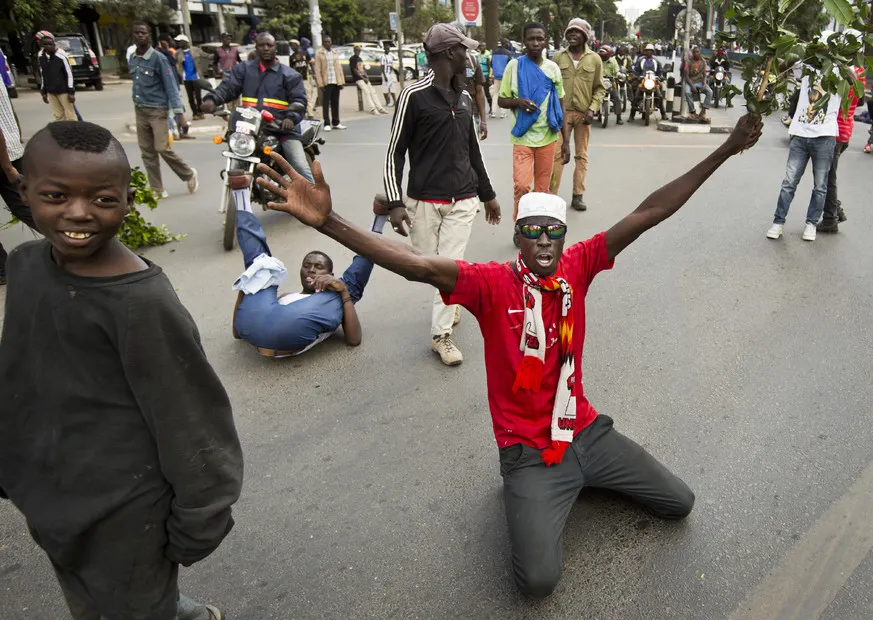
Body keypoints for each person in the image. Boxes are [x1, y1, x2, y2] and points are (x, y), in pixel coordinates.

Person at [254, 112, 763, 599]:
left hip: (582, 430)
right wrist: (330, 222)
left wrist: (725, 148)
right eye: (533, 232)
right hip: (527, 452)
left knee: (680, 504)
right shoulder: (490, 283)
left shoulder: (578, 266)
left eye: (554, 231)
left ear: (565, 236)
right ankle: (533, 493)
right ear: (517, 236)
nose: (545, 242)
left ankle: (581, 478)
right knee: (538, 582)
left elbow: (649, 212)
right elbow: (417, 266)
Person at [0, 121, 241, 620]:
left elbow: (193, 422)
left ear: (128, 200)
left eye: (103, 199)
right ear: (23, 189)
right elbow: (19, 372)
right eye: (56, 195)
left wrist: (202, 519)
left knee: (136, 603)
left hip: (126, 514)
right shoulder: (25, 265)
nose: (78, 213)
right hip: (49, 495)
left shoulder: (141, 303)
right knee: (85, 597)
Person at [383, 22, 502, 366]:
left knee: (449, 266)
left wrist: (487, 194)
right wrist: (394, 201)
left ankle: (441, 336)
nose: (469, 55)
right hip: (423, 202)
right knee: (427, 266)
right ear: (450, 53)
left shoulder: (464, 96)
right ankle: (449, 299)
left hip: (463, 200)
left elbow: (472, 152)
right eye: (464, 49)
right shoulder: (413, 96)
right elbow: (395, 152)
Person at [230, 175, 386, 356]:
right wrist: (248, 284)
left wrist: (343, 292)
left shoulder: (335, 300)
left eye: (319, 267)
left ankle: (378, 222)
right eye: (307, 265)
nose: (311, 269)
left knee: (348, 287)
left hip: (289, 333)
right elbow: (237, 332)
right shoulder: (287, 297)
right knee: (261, 269)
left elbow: (354, 340)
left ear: (330, 274)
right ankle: (240, 193)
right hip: (257, 326)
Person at [201, 32, 314, 182]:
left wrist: (290, 118)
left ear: (275, 48)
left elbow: (299, 100)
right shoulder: (244, 70)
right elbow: (229, 88)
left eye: (269, 45)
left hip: (281, 128)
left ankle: (316, 201)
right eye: (262, 45)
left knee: (300, 166)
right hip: (250, 128)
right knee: (234, 150)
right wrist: (212, 100)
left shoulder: (289, 75)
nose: (266, 48)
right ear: (256, 48)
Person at [498, 22, 565, 221]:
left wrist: (567, 142)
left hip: (548, 137)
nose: (536, 42)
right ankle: (520, 224)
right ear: (524, 41)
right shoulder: (514, 66)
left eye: (540, 38)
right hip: (523, 138)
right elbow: (502, 100)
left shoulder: (553, 68)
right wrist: (518, 102)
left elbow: (561, 105)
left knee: (543, 190)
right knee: (522, 186)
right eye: (531, 38)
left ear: (546, 41)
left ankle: (536, 227)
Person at [128, 21, 198, 200]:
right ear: (133, 36)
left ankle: (188, 174)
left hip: (158, 110)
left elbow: (171, 87)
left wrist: (180, 115)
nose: (140, 36)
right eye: (137, 33)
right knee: (147, 152)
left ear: (149, 36)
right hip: (140, 109)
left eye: (143, 33)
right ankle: (157, 189)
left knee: (161, 147)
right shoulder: (133, 58)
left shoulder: (159, 58)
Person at [767, 73, 841, 242]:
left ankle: (811, 223)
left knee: (820, 186)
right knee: (789, 182)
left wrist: (838, 63)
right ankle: (778, 222)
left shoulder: (839, 71)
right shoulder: (808, 67)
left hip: (824, 137)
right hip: (800, 135)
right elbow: (786, 64)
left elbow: (853, 81)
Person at [551, 18, 605, 213]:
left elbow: (599, 88)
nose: (572, 35)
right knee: (557, 155)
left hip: (584, 115)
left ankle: (577, 195)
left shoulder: (594, 59)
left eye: (577, 32)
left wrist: (593, 108)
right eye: (570, 32)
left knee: (581, 155)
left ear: (585, 36)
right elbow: (549, 85)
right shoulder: (557, 58)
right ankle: (551, 196)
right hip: (561, 115)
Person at [817, 67, 864, 234]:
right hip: (846, 132)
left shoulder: (839, 74)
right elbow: (862, 99)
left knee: (827, 178)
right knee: (827, 176)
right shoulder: (859, 73)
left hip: (834, 133)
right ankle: (836, 210)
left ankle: (831, 218)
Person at [0, 80, 32, 286]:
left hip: (5, 155)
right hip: (9, 149)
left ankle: (75, 245)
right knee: (25, 204)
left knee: (25, 204)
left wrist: (8, 168)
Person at [36, 31, 77, 122]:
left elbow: (69, 74)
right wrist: (43, 90)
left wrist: (71, 92)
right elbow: (43, 73)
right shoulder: (41, 55)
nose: (48, 46)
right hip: (51, 91)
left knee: (70, 115)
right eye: (45, 44)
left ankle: (74, 133)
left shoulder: (61, 55)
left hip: (63, 91)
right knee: (58, 116)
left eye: (50, 44)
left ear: (54, 43)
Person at [315, 35, 347, 130]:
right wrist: (320, 84)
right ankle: (326, 123)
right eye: (326, 42)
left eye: (329, 41)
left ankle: (336, 122)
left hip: (335, 80)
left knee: (335, 102)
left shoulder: (334, 52)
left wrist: (341, 81)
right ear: (323, 43)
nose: (328, 43)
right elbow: (317, 70)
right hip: (326, 81)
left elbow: (339, 68)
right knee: (325, 103)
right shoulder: (319, 53)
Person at [629, 44, 666, 122]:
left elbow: (660, 72)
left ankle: (663, 114)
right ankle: (631, 115)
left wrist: (660, 77)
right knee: (636, 96)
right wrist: (637, 76)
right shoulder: (640, 60)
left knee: (660, 95)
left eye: (650, 51)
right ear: (645, 52)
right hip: (643, 81)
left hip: (653, 81)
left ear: (653, 52)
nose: (649, 52)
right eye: (647, 50)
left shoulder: (656, 61)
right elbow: (636, 71)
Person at [174, 34, 205, 120]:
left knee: (198, 97)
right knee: (190, 97)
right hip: (186, 78)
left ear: (185, 42)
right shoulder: (178, 53)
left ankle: (200, 111)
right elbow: (176, 64)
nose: (179, 43)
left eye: (180, 41)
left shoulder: (195, 50)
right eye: (178, 42)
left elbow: (206, 56)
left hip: (196, 77)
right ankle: (195, 113)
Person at [350, 45, 388, 115]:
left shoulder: (360, 59)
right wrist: (363, 78)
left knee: (373, 92)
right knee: (367, 92)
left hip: (364, 78)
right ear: (354, 51)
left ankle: (379, 107)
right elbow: (355, 70)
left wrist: (366, 77)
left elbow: (362, 69)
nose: (358, 52)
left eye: (359, 50)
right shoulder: (352, 59)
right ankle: (372, 108)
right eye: (356, 50)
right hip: (358, 79)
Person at [683, 46, 712, 121]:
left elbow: (705, 74)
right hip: (691, 82)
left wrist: (704, 82)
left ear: (700, 53)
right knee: (687, 92)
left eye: (698, 52)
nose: (697, 53)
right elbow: (686, 76)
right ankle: (692, 111)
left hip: (699, 82)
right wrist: (692, 86)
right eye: (695, 52)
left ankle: (703, 111)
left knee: (710, 91)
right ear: (693, 53)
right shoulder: (688, 62)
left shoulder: (703, 62)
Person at [289, 40, 316, 119]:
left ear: (298, 45)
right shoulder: (292, 57)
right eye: (291, 46)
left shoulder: (304, 54)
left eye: (294, 45)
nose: (292, 47)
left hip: (305, 79)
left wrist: (314, 73)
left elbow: (310, 63)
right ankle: (303, 112)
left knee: (308, 96)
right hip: (297, 80)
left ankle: (310, 114)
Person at [597, 45, 623, 125]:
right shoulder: (597, 61)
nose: (602, 57)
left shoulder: (613, 61)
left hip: (610, 82)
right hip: (598, 82)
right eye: (601, 56)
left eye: (604, 56)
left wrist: (619, 75)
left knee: (617, 98)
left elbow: (617, 71)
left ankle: (619, 117)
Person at [491, 39, 515, 119]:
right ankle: (502, 113)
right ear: (506, 44)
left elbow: (491, 64)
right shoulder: (508, 53)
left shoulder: (494, 53)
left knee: (495, 93)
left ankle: (493, 112)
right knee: (503, 94)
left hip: (496, 75)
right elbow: (511, 65)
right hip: (505, 76)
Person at [381, 41, 399, 107]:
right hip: (385, 73)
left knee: (393, 87)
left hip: (391, 73)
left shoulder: (390, 56)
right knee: (385, 88)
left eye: (388, 49)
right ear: (384, 49)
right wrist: (385, 76)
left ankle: (395, 101)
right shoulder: (383, 57)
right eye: (386, 48)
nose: (388, 50)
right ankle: (387, 102)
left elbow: (391, 65)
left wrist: (393, 72)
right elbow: (382, 67)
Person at [478, 42, 493, 117]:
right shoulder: (478, 54)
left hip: (486, 76)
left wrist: (490, 77)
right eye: (481, 46)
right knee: (478, 92)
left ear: (486, 46)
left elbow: (490, 66)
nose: (482, 47)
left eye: (483, 46)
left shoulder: (488, 55)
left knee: (487, 93)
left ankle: (491, 108)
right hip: (479, 76)